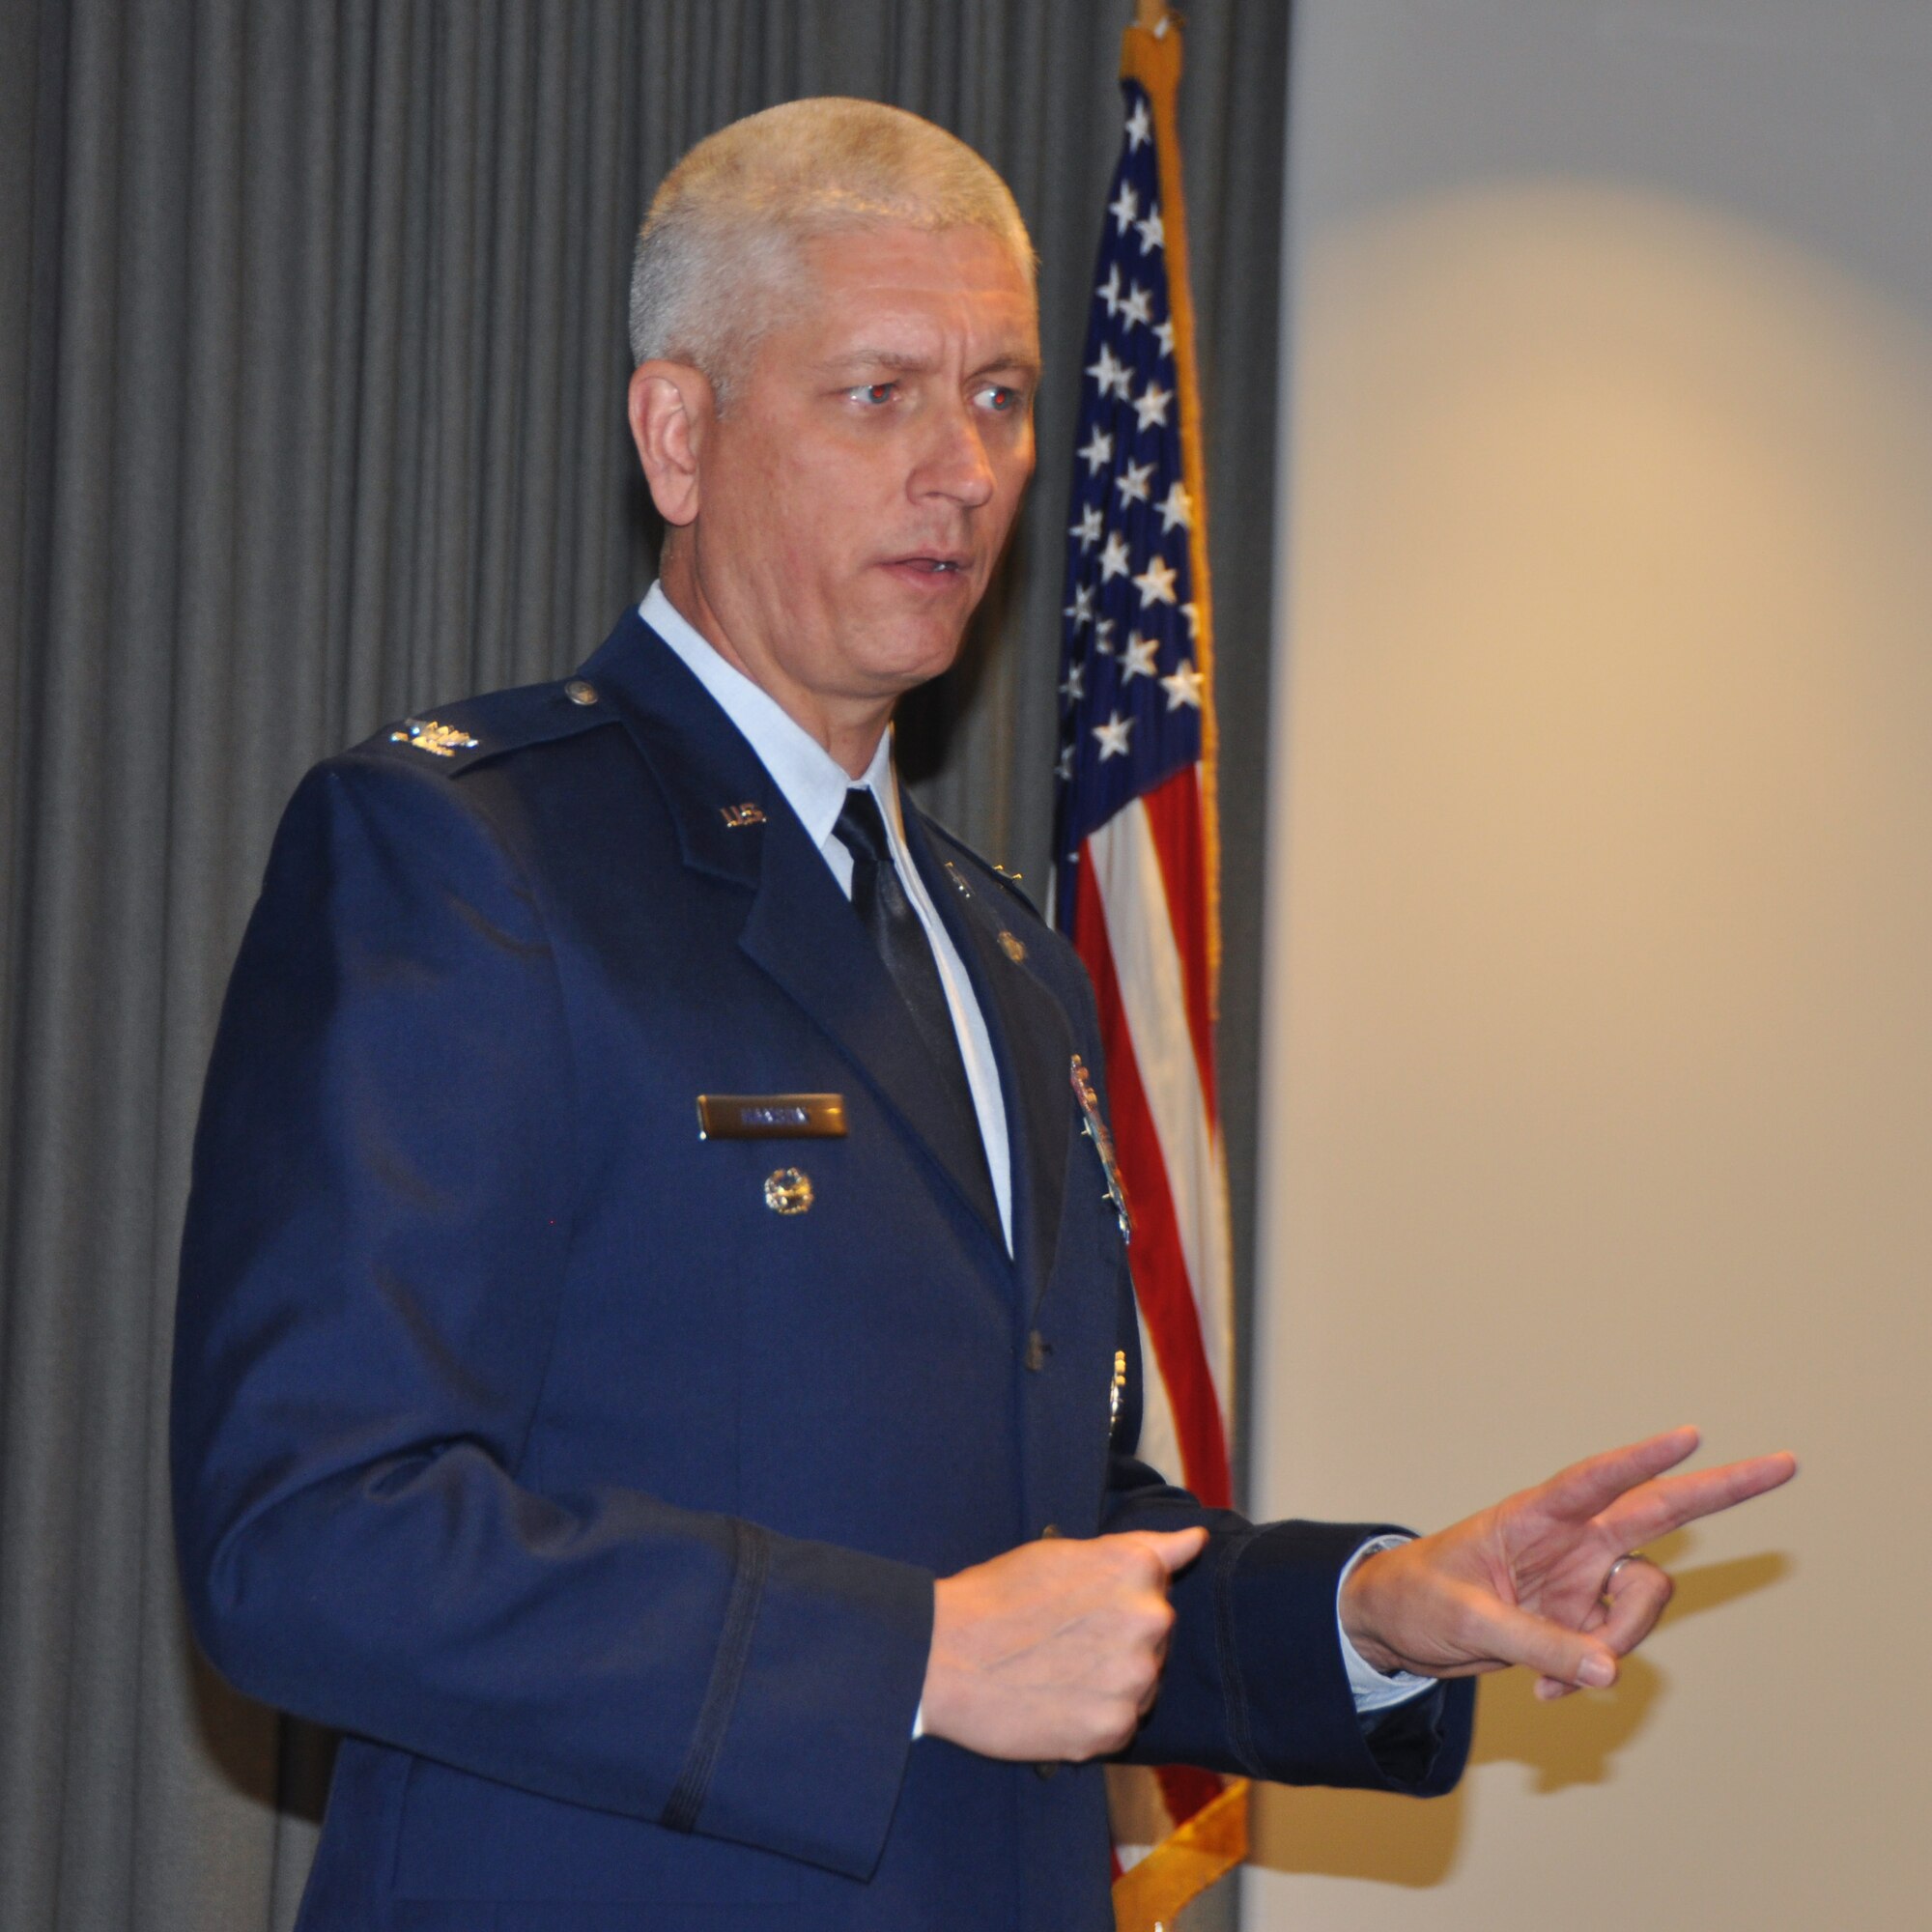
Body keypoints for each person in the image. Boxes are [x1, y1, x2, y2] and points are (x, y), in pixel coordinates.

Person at [170, 98, 1796, 1932]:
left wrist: (1374, 1611)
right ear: (678, 432)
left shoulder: (999, 950)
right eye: (878, 393)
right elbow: (306, 1540)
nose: (962, 469)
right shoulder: (472, 854)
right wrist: (914, 1662)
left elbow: (1052, 1550)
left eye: (1005, 398)